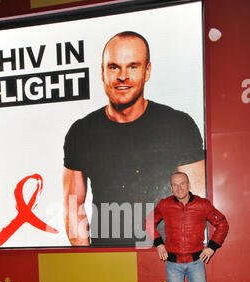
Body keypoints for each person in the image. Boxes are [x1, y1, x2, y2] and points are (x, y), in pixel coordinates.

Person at [63, 31, 205, 247]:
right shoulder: (81, 131)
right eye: (114, 67)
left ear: (147, 71)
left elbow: (197, 202)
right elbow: (74, 206)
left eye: (133, 66)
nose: (122, 76)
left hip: (167, 260)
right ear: (102, 72)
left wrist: (181, 257)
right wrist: (85, 261)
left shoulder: (179, 125)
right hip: (106, 263)